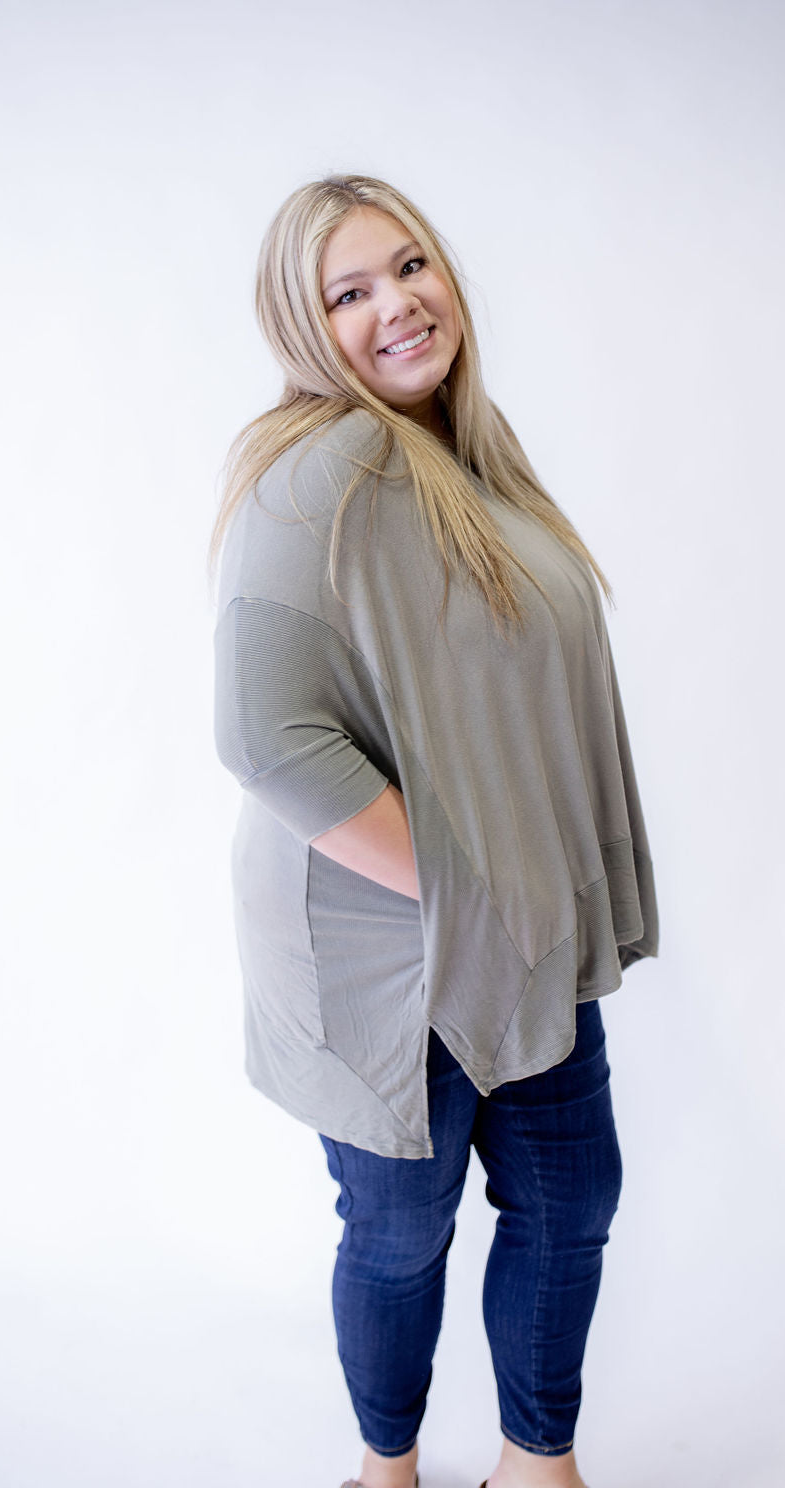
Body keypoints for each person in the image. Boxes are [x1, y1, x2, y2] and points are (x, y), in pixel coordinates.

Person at [209, 174, 659, 1488]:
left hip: (520, 927)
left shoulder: (472, 452)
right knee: (400, 1233)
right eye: (349, 291)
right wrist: (466, 889)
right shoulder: (318, 471)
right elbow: (264, 733)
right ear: (302, 325)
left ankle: (537, 1469)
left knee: (569, 1201)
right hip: (386, 956)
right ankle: (386, 1471)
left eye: (411, 266)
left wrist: (523, 896)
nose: (398, 303)